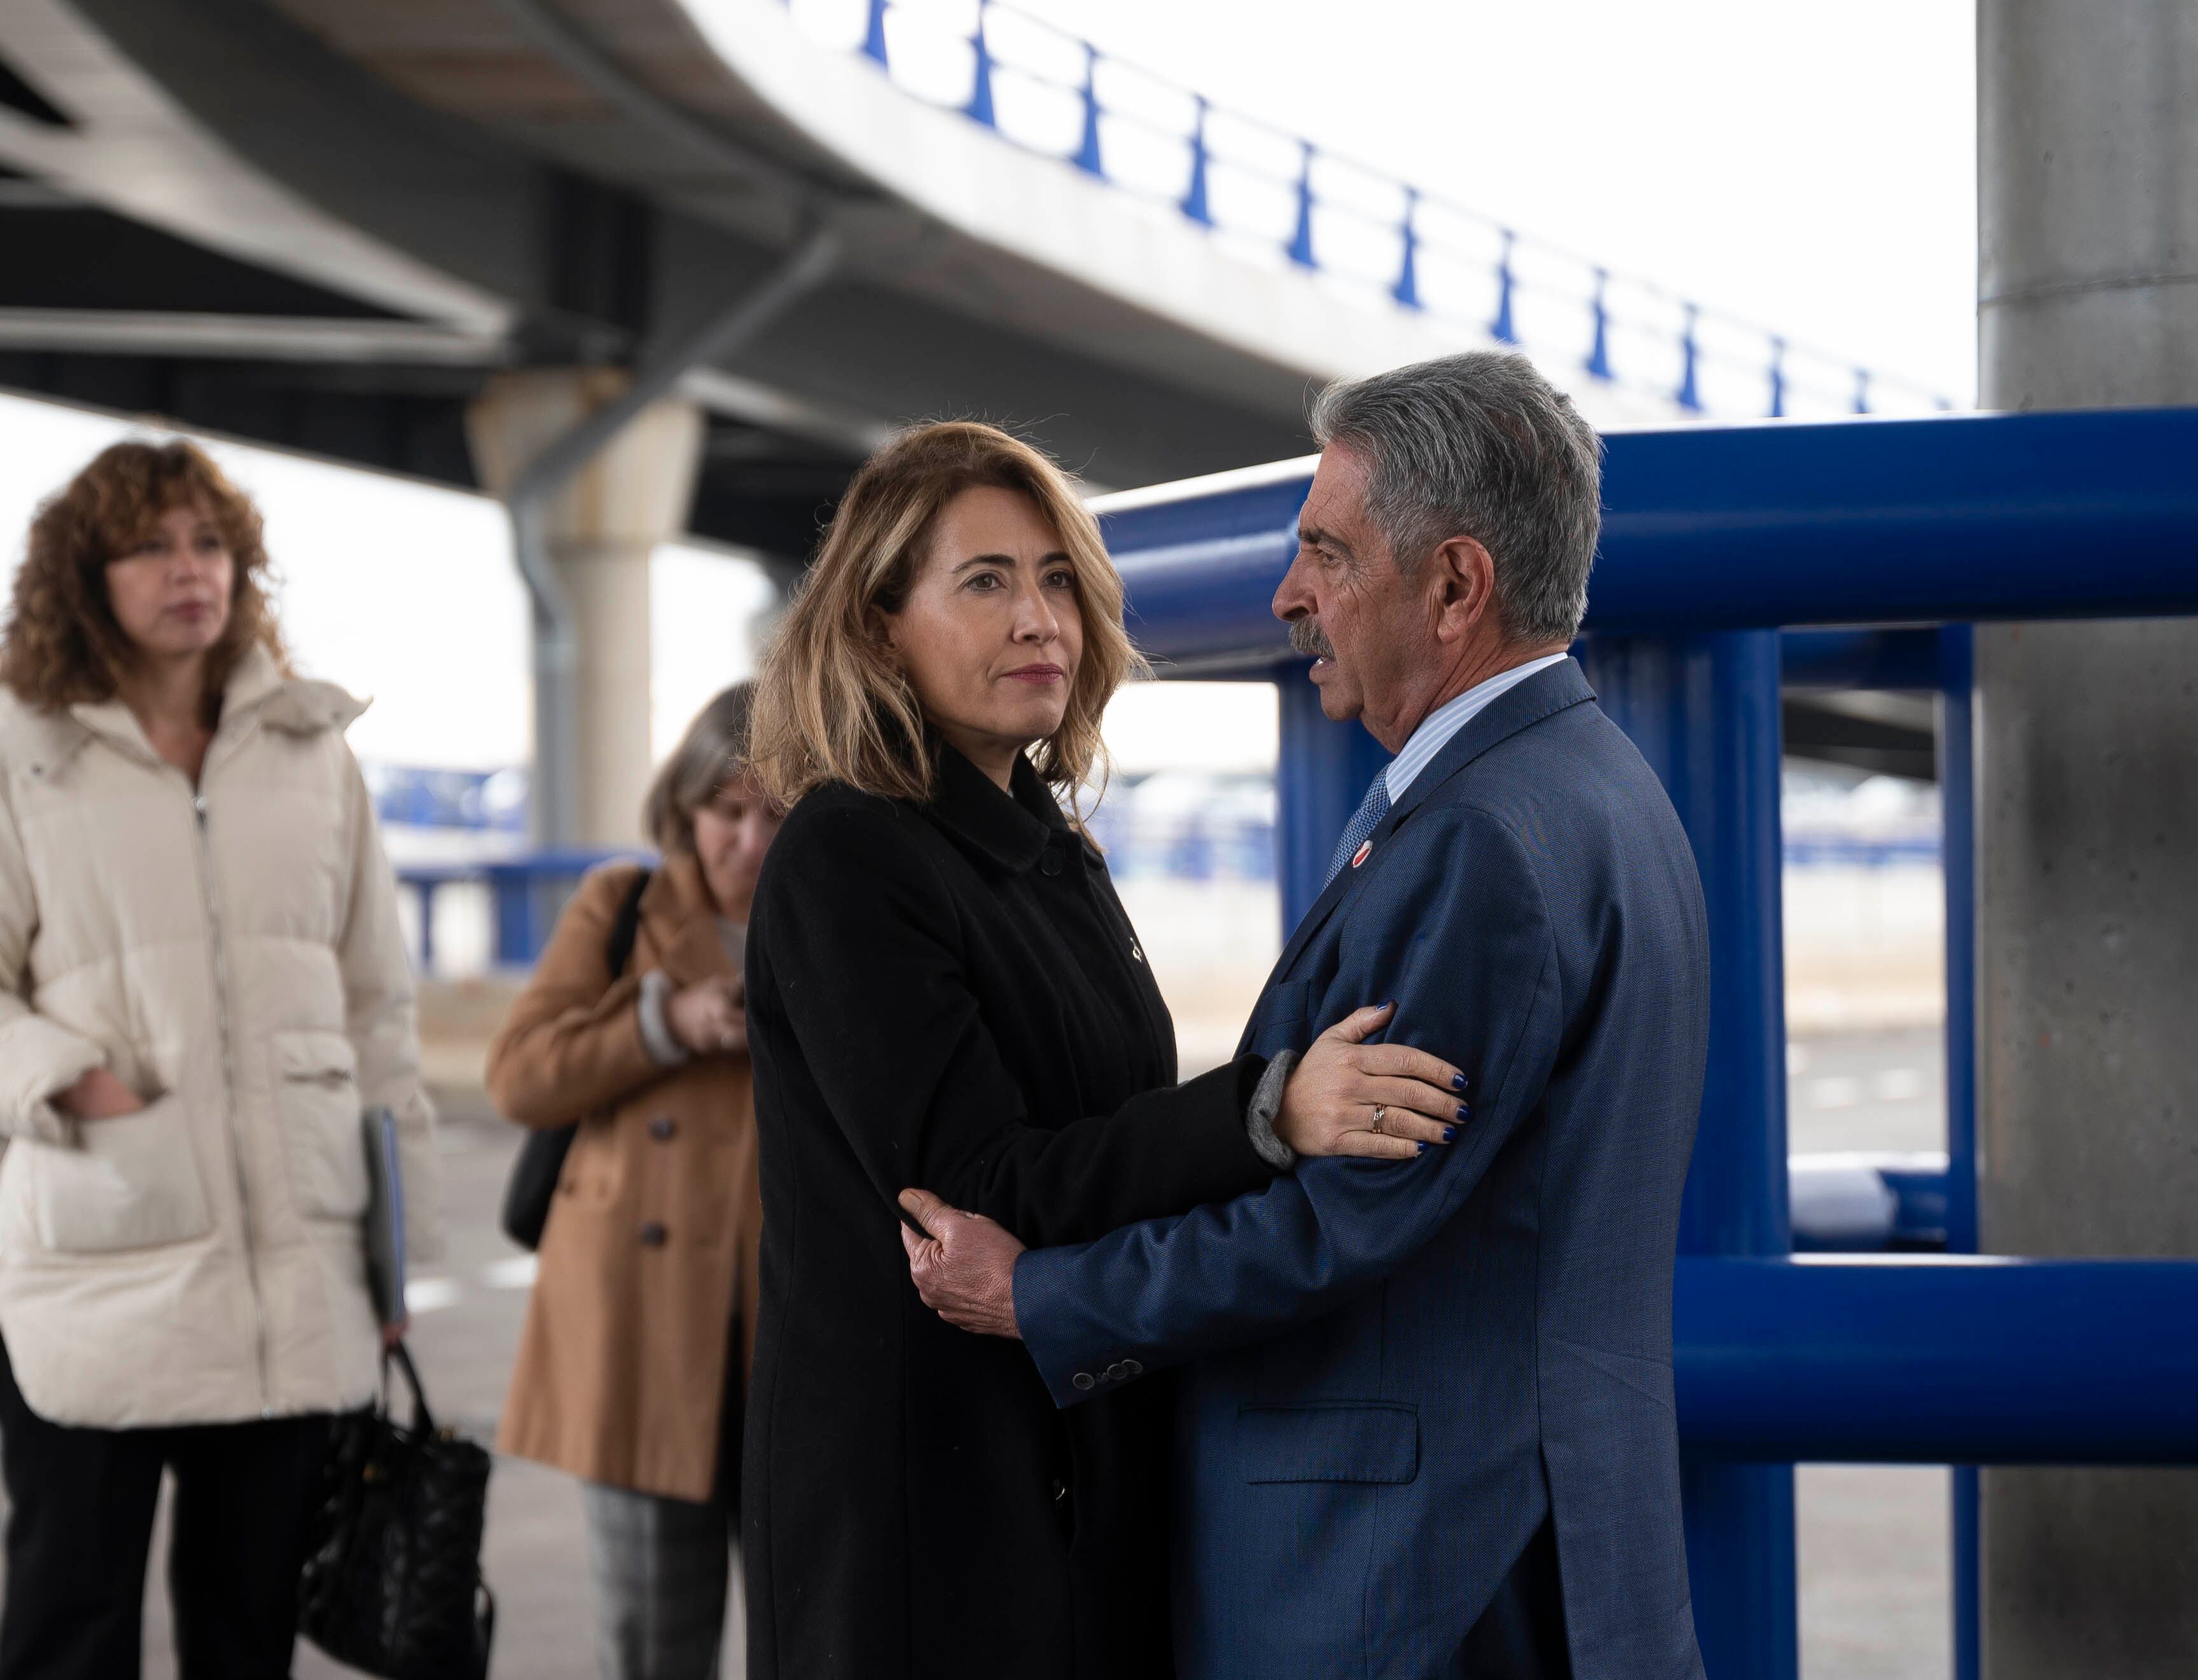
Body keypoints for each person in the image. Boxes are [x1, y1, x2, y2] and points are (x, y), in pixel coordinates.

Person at [905, 351, 1713, 1679]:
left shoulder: (1479, 844)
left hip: (1405, 1569)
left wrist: (1038, 1293)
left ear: (1454, 586)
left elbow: (1334, 1230)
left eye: (1327, 554)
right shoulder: (1598, 788)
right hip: (1541, 1525)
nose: (1292, 596)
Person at [736, 420, 1466, 1680]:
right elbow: (972, 1181)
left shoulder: (1052, 847)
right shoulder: (847, 855)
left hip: (1079, 1461)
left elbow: (1101, 1127)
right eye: (986, 582)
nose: (1040, 620)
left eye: (1057, 578)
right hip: (930, 1512)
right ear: (876, 626)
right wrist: (1267, 1112)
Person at [0, 437, 443, 1680]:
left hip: (295, 1294)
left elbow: (376, 1016)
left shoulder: (314, 757)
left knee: (245, 1646)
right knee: (69, 1643)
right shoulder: (17, 767)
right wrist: (64, 1075)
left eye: (211, 544)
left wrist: (397, 1243)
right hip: (95, 1287)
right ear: (84, 578)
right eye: (150, 545)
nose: (189, 570)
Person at [487, 683, 778, 1680]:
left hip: (789, 1335)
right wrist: (665, 1023)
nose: (748, 839)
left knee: (814, 1637)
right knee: (654, 1646)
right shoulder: (620, 907)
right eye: (727, 810)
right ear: (685, 809)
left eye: (778, 812)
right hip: (640, 1331)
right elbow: (520, 1075)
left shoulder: (848, 920)